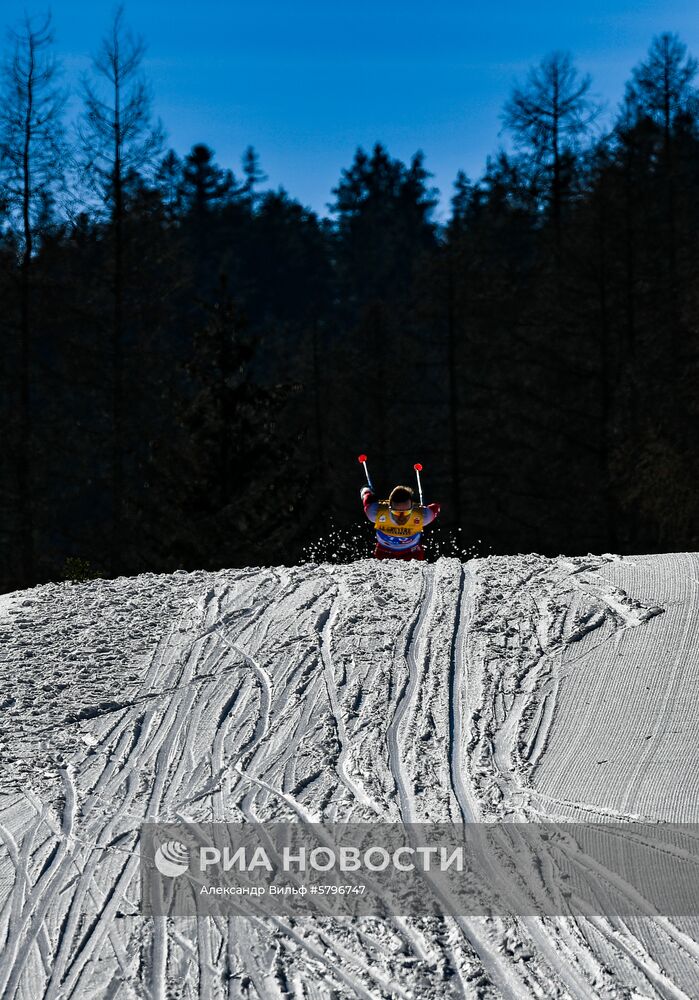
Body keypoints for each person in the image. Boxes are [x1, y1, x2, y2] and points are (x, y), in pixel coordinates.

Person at [360, 483, 441, 561]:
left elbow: (436, 507)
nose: (402, 517)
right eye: (396, 513)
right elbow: (367, 499)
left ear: (412, 508)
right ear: (389, 508)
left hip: (412, 553)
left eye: (406, 513)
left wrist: (425, 508)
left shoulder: (423, 516)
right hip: (384, 552)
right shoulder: (375, 513)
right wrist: (366, 490)